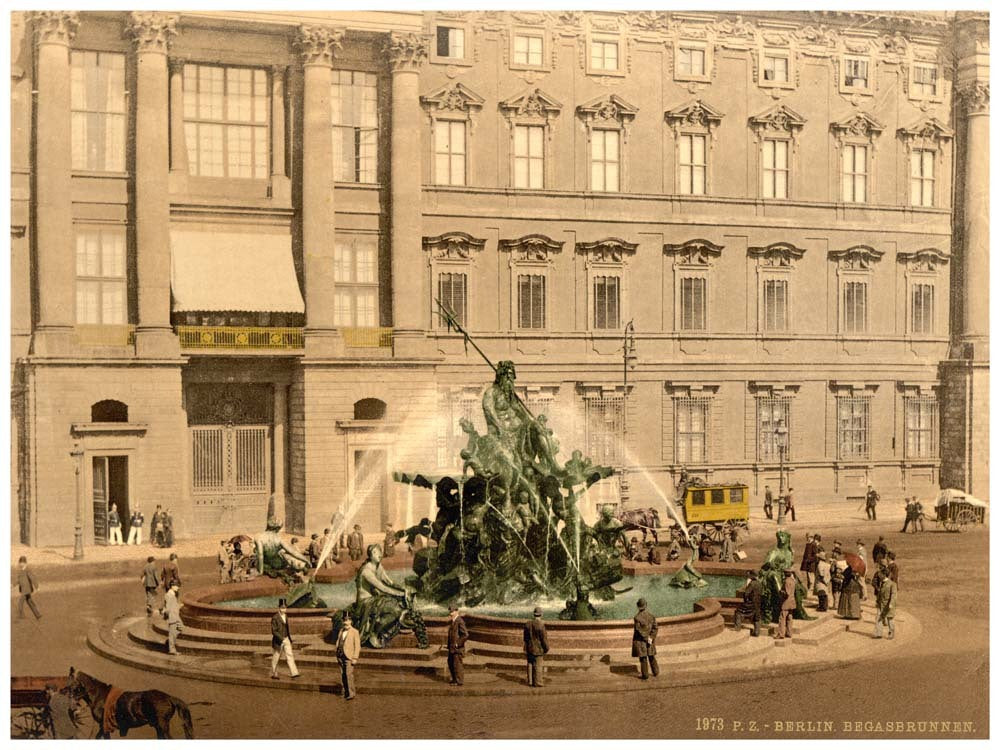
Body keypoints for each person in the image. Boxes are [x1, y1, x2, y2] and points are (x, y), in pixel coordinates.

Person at [270, 599, 300, 679]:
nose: (284, 609)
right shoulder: (275, 617)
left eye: (285, 607)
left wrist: (288, 638)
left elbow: (286, 628)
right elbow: (274, 631)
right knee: (276, 657)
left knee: (290, 655)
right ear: (279, 608)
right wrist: (281, 638)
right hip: (278, 640)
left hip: (286, 638)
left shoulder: (286, 616)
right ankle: (274, 673)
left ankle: (294, 673)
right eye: (282, 607)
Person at [336, 611, 361, 700]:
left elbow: (357, 646)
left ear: (351, 621)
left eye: (348, 620)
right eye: (344, 620)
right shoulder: (341, 630)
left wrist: (355, 657)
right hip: (340, 655)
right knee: (343, 675)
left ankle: (351, 693)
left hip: (349, 657)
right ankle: (346, 692)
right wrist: (337, 652)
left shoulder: (355, 632)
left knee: (348, 674)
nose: (346, 622)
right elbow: (339, 641)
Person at [632, 598, 659, 679]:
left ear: (638, 606)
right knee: (651, 657)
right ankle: (656, 672)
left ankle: (645, 675)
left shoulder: (637, 618)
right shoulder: (651, 616)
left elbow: (639, 630)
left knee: (643, 658)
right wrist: (651, 637)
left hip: (641, 642)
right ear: (646, 605)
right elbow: (655, 628)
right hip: (650, 641)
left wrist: (646, 638)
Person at [523, 606, 549, 687]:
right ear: (541, 614)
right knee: (538, 665)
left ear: (534, 614)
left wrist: (526, 646)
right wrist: (546, 648)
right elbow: (543, 639)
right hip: (538, 648)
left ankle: (530, 681)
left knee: (530, 663)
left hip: (529, 647)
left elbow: (525, 637)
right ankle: (538, 682)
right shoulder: (541, 625)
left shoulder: (528, 624)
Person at [733, 570, 762, 636]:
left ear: (752, 576)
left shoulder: (752, 584)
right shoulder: (759, 583)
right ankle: (757, 632)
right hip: (757, 604)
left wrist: (746, 600)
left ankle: (737, 628)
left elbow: (746, 593)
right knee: (757, 616)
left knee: (738, 612)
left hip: (750, 604)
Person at [874, 563, 897, 639]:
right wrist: (877, 602)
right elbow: (880, 594)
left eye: (880, 574)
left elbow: (893, 595)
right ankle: (878, 633)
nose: (879, 575)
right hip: (881, 604)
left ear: (884, 575)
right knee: (878, 618)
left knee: (890, 619)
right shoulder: (882, 583)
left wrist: (891, 604)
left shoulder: (892, 584)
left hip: (888, 605)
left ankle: (891, 633)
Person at [446, 604, 468, 686]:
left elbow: (465, 634)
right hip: (452, 648)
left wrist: (457, 643)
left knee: (457, 664)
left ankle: (459, 681)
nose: (450, 613)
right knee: (451, 662)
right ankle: (455, 679)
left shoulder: (460, 621)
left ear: (456, 611)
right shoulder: (454, 621)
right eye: (450, 611)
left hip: (457, 648)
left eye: (452, 611)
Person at [15, 555, 41, 620]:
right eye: (20, 563)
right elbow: (19, 580)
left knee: (20, 602)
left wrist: (37, 587)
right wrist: (13, 585)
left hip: (26, 590)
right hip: (24, 590)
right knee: (30, 602)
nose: (21, 564)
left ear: (25, 563)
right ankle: (38, 614)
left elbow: (32, 578)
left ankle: (21, 615)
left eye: (22, 563)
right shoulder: (20, 571)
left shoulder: (28, 570)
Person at [162, 581, 182, 655]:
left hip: (176, 616)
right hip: (172, 617)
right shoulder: (169, 595)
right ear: (172, 586)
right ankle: (172, 649)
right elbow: (168, 608)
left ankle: (170, 642)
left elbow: (172, 605)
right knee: (172, 633)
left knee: (180, 628)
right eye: (177, 586)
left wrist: (179, 606)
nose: (178, 588)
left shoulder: (172, 594)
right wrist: (167, 615)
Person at [775, 569, 796, 639]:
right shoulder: (793, 580)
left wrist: (780, 591)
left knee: (782, 618)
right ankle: (789, 633)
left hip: (786, 602)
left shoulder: (786, 581)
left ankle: (781, 634)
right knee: (790, 618)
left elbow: (787, 593)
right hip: (792, 602)